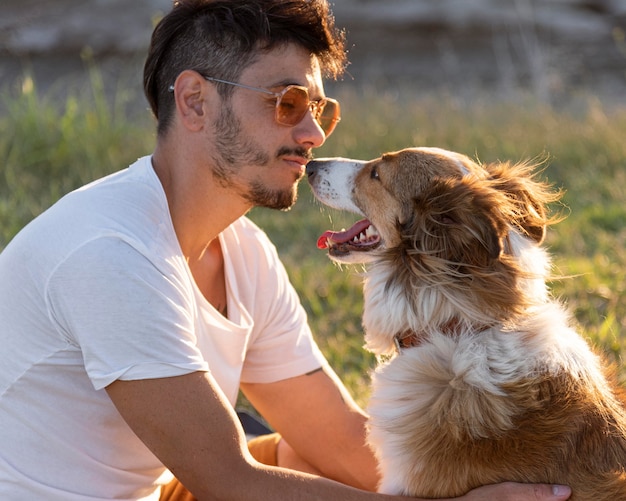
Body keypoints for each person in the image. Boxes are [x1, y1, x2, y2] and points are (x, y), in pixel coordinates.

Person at [0, 1, 572, 500]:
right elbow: (230, 481)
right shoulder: (110, 253)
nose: (315, 135)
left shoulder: (241, 251)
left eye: (320, 109)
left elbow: (335, 436)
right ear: (195, 102)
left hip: (163, 488)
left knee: (315, 463)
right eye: (287, 102)